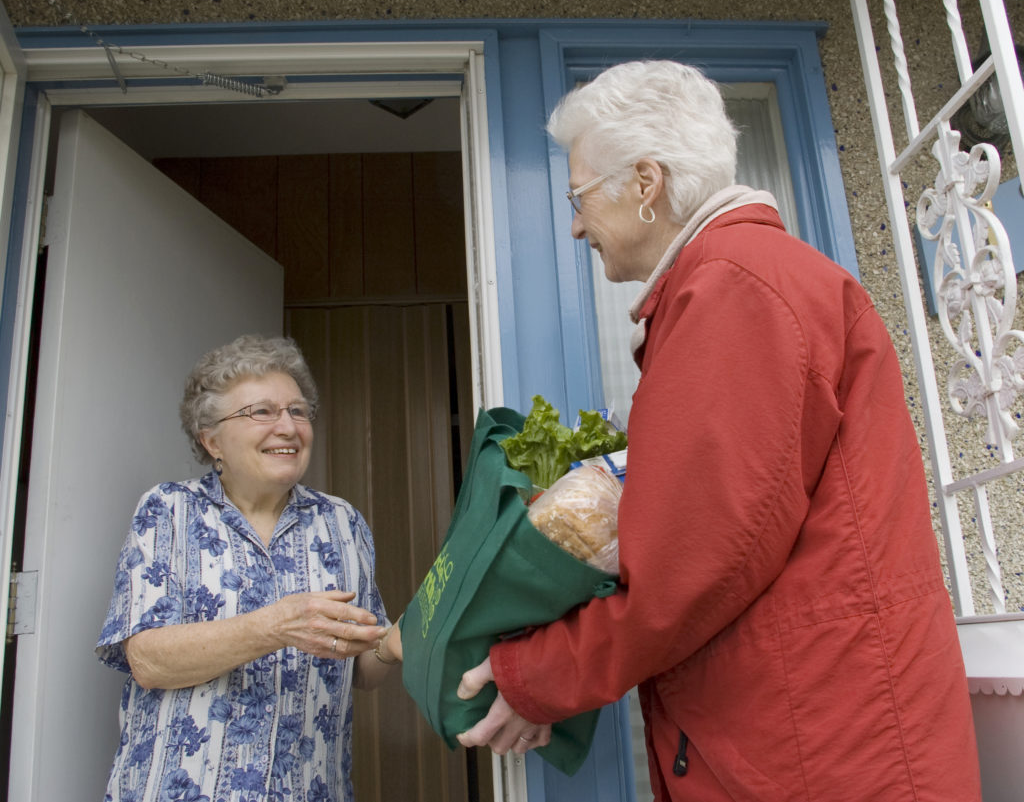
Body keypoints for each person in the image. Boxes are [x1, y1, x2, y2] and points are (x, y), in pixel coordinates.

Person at [456, 61, 982, 801]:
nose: (575, 224)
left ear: (646, 183)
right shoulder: (745, 280)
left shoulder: (736, 289)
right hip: (814, 741)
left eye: (579, 197)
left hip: (817, 756)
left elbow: (692, 564)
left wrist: (536, 676)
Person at [96, 334, 403, 802]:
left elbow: (360, 670)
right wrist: (276, 626)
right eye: (262, 412)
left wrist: (391, 647)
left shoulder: (342, 522)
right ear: (211, 438)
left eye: (298, 411)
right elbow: (146, 660)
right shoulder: (169, 511)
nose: (288, 427)